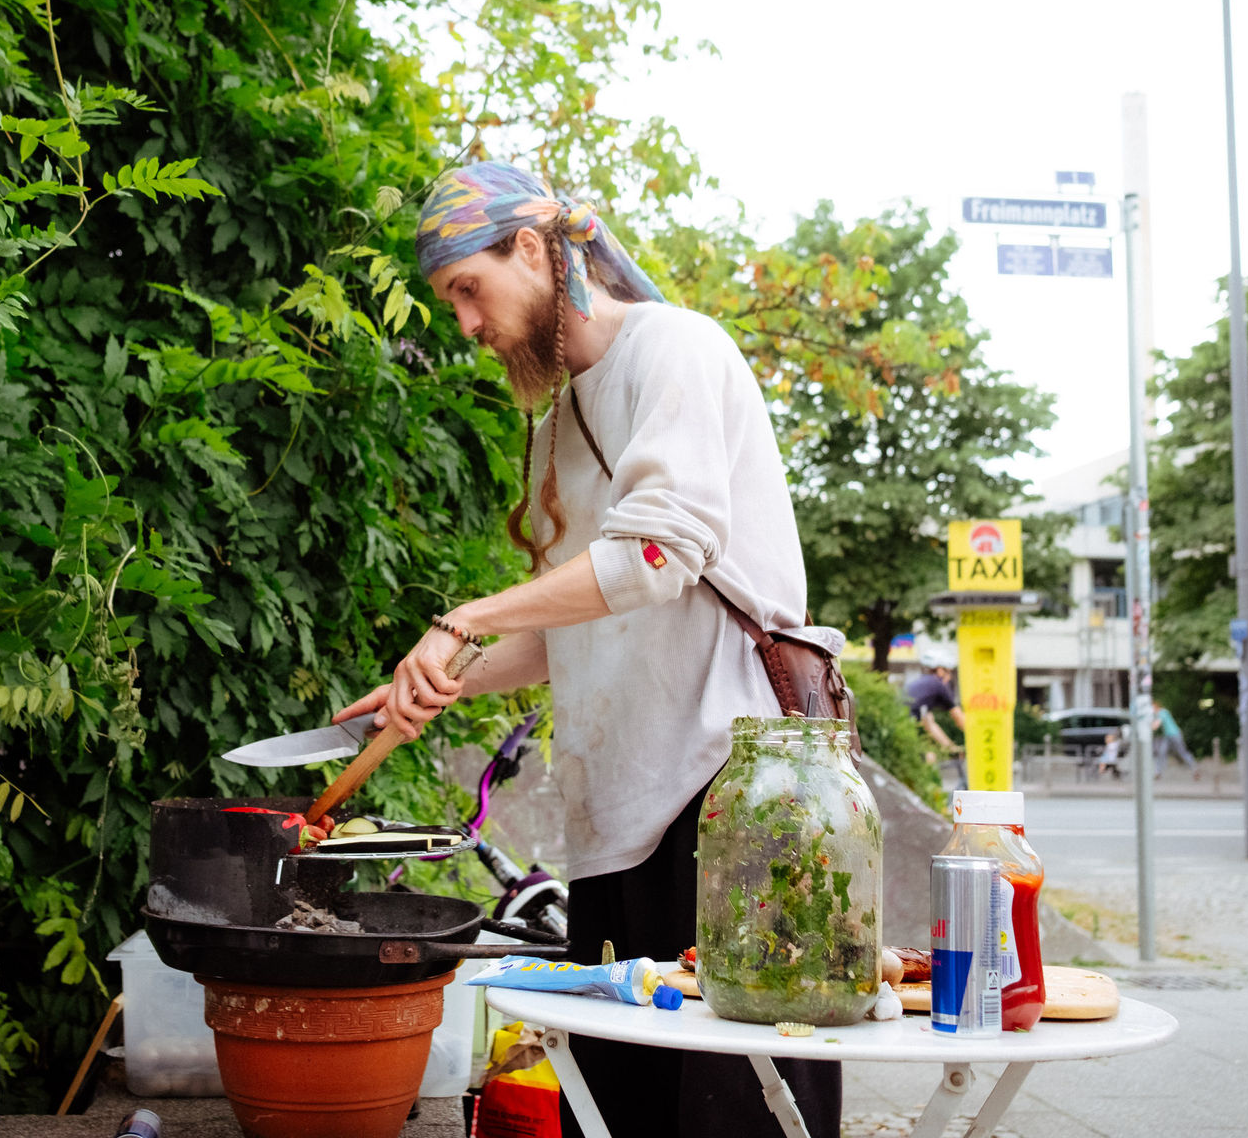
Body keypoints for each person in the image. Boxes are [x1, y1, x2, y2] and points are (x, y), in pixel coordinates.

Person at [326, 161, 840, 1138]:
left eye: (467, 289)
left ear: (531, 248)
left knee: (744, 1112)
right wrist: (438, 680)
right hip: (618, 816)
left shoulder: (676, 349)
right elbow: (584, 620)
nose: (466, 324)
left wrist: (465, 616)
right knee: (620, 1109)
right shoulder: (563, 416)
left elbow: (657, 549)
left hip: (730, 792)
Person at [904, 647, 965, 787]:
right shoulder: (938, 685)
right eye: (949, 672)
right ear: (940, 670)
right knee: (929, 757)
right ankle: (929, 793)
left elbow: (930, 724)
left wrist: (950, 747)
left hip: (902, 724)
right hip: (905, 726)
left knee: (929, 755)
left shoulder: (923, 684)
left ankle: (928, 792)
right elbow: (959, 718)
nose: (949, 677)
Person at [1154, 702, 1200, 779]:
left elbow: (1156, 725)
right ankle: (1158, 773)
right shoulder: (1160, 713)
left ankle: (1195, 769)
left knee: (1182, 752)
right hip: (1167, 736)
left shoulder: (1162, 712)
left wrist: (1145, 726)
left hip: (1175, 735)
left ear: (1156, 707)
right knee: (1161, 752)